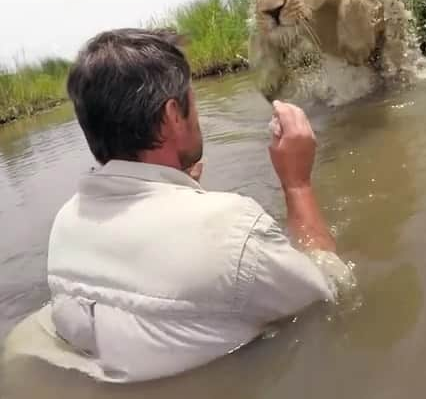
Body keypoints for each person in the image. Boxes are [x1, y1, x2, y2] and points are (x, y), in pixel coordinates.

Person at [3, 28, 354, 384]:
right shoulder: (233, 230)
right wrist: (297, 183)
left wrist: (186, 194)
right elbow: (331, 291)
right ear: (173, 115)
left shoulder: (65, 223)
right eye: (193, 99)